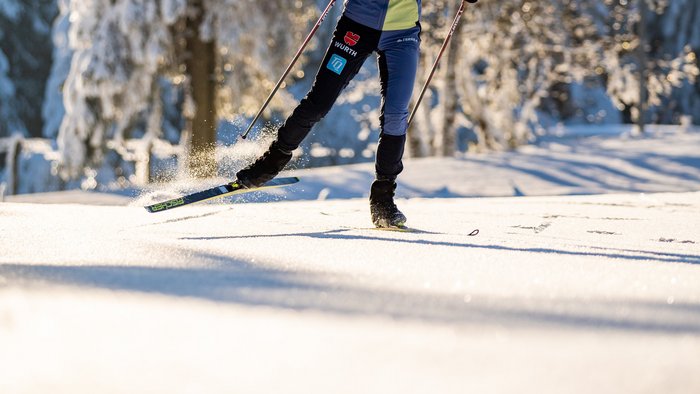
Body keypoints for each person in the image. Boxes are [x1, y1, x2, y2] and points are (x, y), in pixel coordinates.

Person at [236, 0, 422, 228]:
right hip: (357, 26)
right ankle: (270, 163)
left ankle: (383, 200)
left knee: (396, 115)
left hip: (402, 33)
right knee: (318, 103)